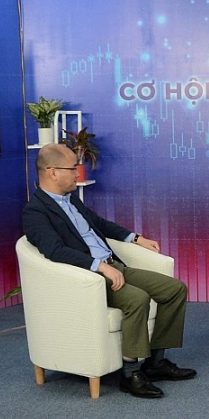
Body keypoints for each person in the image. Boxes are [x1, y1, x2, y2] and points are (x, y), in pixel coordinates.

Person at [23, 144, 195, 399]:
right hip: (89, 278)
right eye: (73, 168)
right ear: (53, 172)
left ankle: (155, 363)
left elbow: (100, 225)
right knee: (137, 299)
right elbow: (55, 251)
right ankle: (130, 373)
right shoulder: (35, 212)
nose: (78, 174)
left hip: (114, 266)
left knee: (174, 289)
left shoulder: (71, 200)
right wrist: (99, 266)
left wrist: (135, 238)